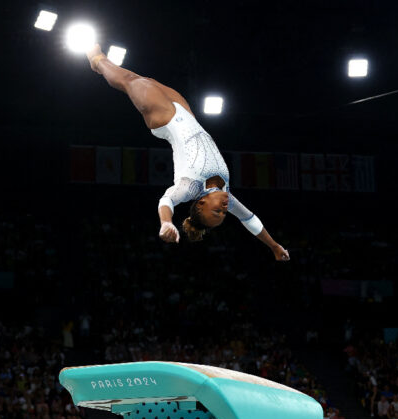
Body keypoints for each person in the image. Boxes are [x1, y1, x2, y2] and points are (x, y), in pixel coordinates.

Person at [86, 44, 290, 261]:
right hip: (185, 114)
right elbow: (249, 219)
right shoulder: (227, 195)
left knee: (129, 80)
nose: (223, 209)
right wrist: (274, 246)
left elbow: (167, 200)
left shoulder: (190, 187)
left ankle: (96, 60)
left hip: (164, 120)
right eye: (223, 214)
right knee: (143, 78)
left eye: (217, 212)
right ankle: (101, 63)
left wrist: (166, 223)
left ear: (201, 204)